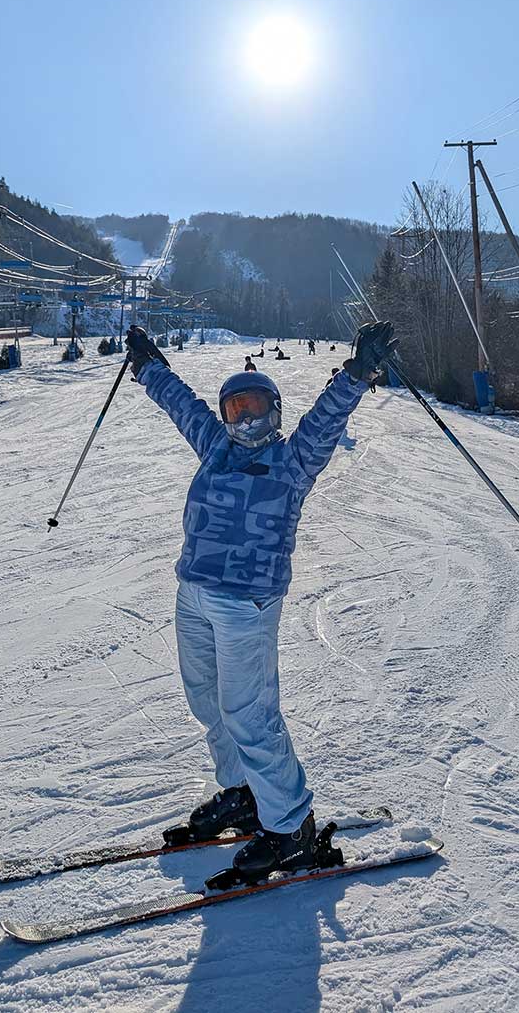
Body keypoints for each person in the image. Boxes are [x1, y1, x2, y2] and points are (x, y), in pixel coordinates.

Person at [124, 320, 397, 883]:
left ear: (275, 413)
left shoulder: (292, 463)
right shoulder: (214, 448)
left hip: (246, 603)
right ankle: (245, 792)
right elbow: (181, 404)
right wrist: (149, 365)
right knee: (209, 702)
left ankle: (292, 825)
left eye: (257, 408)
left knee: (250, 712)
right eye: (235, 409)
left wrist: (356, 373)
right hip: (193, 592)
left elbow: (325, 422)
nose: (246, 419)